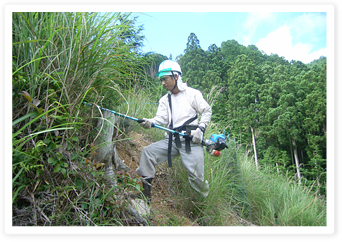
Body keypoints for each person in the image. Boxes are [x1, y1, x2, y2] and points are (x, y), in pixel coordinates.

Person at [136, 60, 212, 203]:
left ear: (175, 76)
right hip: (170, 141)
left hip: (191, 141)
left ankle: (202, 205)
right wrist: (149, 122)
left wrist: (201, 129)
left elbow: (206, 110)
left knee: (197, 177)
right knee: (147, 152)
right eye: (161, 80)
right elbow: (160, 119)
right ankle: (145, 195)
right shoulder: (165, 100)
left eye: (165, 79)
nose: (163, 83)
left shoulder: (192, 94)